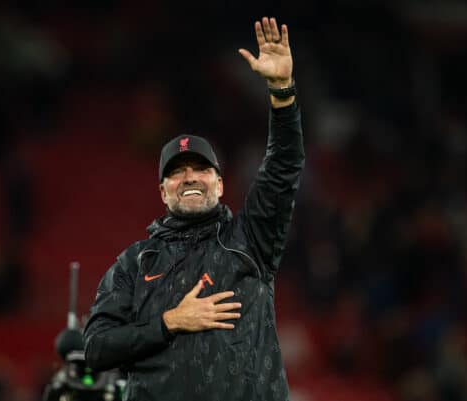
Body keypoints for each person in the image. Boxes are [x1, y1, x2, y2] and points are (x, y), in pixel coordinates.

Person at [83, 17, 304, 401]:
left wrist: (281, 91)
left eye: (201, 169)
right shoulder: (135, 264)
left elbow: (283, 168)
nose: (189, 178)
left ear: (219, 184)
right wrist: (169, 323)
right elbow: (97, 349)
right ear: (163, 191)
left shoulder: (251, 240)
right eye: (177, 173)